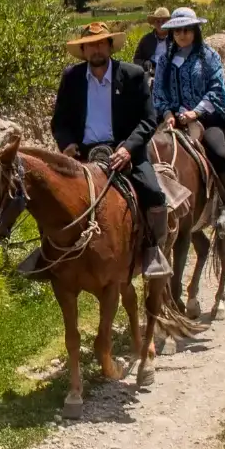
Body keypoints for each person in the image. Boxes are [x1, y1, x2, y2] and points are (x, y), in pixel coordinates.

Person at [51, 21, 172, 280]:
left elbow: (148, 120)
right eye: (90, 45)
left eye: (100, 44)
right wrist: (67, 144)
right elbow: (59, 121)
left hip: (124, 152)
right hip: (83, 155)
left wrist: (128, 148)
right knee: (53, 196)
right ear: (83, 51)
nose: (96, 49)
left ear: (109, 46)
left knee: (153, 193)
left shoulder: (133, 75)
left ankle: (153, 250)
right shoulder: (71, 78)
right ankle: (50, 255)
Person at [153, 7, 225, 200]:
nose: (182, 34)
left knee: (219, 153)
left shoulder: (209, 56)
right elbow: (158, 91)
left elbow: (216, 89)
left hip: (206, 120)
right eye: (177, 30)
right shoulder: (164, 60)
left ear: (195, 31)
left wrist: (196, 113)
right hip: (172, 120)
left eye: (187, 29)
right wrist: (167, 113)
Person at [133, 7, 172, 81]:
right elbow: (136, 59)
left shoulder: (176, 38)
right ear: (154, 23)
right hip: (151, 75)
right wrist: (145, 63)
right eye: (158, 21)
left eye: (163, 21)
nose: (160, 24)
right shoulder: (146, 40)